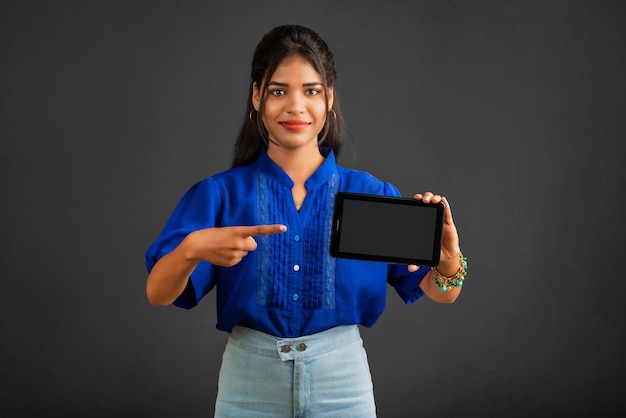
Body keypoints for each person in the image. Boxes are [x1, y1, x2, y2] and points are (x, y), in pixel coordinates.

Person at [145, 24, 467, 417]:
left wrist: (449, 259)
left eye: (311, 91)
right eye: (279, 91)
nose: (295, 106)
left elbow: (442, 291)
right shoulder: (219, 194)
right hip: (248, 385)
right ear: (257, 96)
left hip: (342, 385)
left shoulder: (371, 195)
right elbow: (158, 293)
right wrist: (192, 248)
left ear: (329, 98)